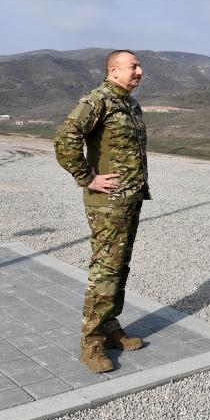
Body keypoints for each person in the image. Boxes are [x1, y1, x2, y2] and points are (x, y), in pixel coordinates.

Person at [54, 50, 151, 373]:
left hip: (129, 199)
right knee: (105, 269)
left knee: (119, 267)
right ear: (113, 70)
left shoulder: (129, 104)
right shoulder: (98, 100)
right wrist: (87, 178)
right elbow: (65, 138)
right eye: (133, 66)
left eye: (139, 66)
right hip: (107, 203)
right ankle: (91, 343)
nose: (140, 71)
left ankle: (109, 327)